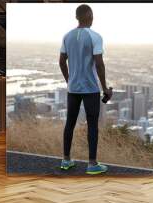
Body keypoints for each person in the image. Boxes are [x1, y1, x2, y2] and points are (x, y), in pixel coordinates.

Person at [59, 4, 112, 174]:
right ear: (89, 16)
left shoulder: (67, 36)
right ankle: (92, 164)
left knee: (70, 123)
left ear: (77, 17)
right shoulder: (95, 36)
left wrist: (69, 81)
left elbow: (61, 62)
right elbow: (99, 64)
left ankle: (66, 161)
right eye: (92, 15)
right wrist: (105, 88)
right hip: (90, 89)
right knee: (92, 126)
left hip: (73, 89)